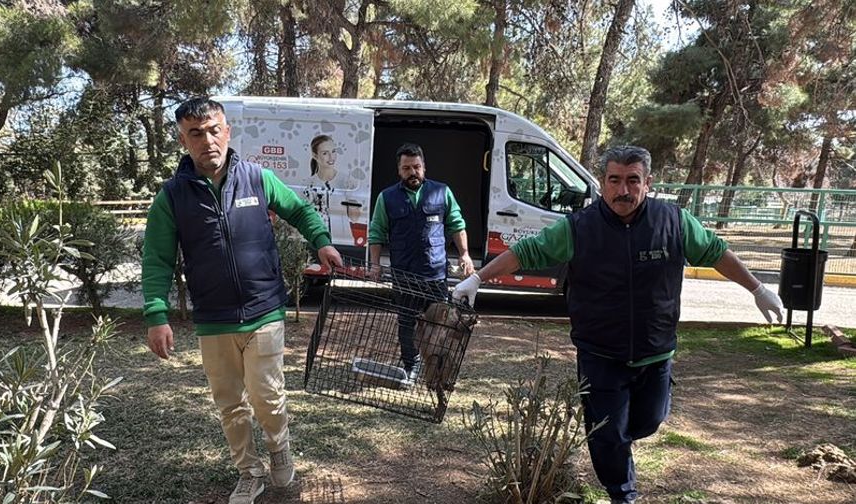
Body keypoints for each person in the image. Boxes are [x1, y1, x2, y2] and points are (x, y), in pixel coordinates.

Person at [453, 146, 784, 504]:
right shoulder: (579, 227)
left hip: (656, 353)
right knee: (609, 434)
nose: (622, 191)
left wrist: (758, 288)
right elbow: (527, 252)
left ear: (647, 183)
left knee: (648, 423)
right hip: (600, 354)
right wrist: (478, 279)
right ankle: (622, 494)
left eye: (632, 181)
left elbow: (717, 253)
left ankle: (616, 443)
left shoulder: (673, 221)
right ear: (602, 183)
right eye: (614, 180)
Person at [142, 97, 343, 504]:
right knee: (230, 404)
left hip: (264, 309)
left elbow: (300, 210)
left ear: (227, 131)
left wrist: (321, 241)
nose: (207, 140)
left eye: (214, 129)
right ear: (183, 140)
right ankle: (249, 473)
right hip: (214, 319)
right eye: (195, 133)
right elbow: (157, 258)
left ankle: (279, 448)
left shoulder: (257, 178)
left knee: (267, 397)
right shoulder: (172, 198)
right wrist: (156, 314)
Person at [368, 142, 475, 381]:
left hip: (435, 275)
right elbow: (376, 233)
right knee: (407, 324)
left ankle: (435, 366)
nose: (412, 172)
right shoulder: (386, 198)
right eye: (406, 168)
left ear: (424, 167)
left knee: (439, 324)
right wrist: (375, 264)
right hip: (404, 276)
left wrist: (465, 253)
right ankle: (411, 365)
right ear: (399, 170)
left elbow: (457, 225)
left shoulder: (442, 192)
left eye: (416, 167)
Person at [303, 134, 337, 233]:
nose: (331, 157)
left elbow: (355, 218)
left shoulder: (347, 181)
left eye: (333, 151)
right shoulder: (307, 184)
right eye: (325, 153)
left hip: (342, 238)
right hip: (315, 236)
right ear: (315, 156)